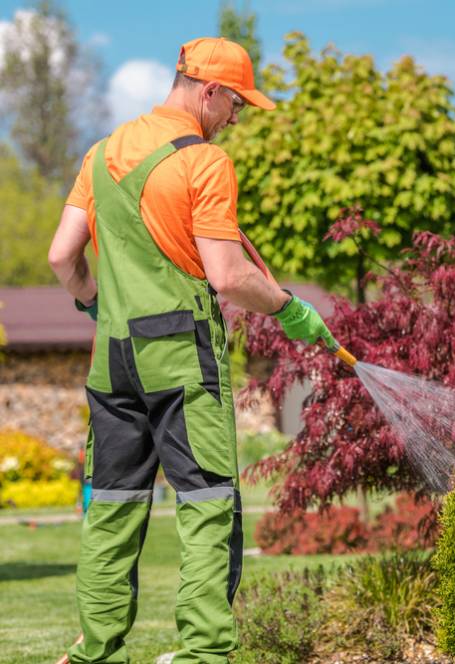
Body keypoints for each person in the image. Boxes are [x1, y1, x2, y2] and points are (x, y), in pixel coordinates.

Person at [48, 37, 336, 663]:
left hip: (112, 361)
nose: (238, 117)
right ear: (208, 91)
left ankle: (96, 653)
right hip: (182, 357)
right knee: (207, 505)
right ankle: (204, 654)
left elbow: (61, 256)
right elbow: (228, 275)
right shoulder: (204, 162)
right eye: (237, 103)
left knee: (114, 507)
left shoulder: (102, 153)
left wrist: (95, 303)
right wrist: (287, 306)